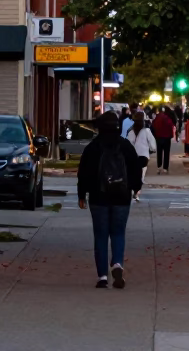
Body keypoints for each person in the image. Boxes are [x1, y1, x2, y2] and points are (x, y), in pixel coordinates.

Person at [77, 111, 143, 289]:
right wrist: (136, 187)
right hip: (122, 197)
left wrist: (81, 194)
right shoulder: (125, 146)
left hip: (98, 197)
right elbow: (135, 168)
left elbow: (84, 173)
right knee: (118, 233)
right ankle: (117, 264)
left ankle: (102, 277)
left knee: (100, 235)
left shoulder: (93, 147)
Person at [126, 110, 157, 199]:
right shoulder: (146, 131)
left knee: (133, 173)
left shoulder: (131, 132)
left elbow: (128, 144)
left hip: (133, 156)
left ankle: (133, 189)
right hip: (143, 156)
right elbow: (152, 144)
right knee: (141, 174)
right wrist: (153, 149)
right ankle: (137, 191)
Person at [151, 105, 176, 172]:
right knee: (166, 153)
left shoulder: (157, 118)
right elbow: (171, 126)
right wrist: (171, 135)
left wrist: (155, 135)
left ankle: (159, 166)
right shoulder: (168, 118)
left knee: (159, 153)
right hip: (167, 138)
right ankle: (165, 167)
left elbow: (153, 126)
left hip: (159, 137)